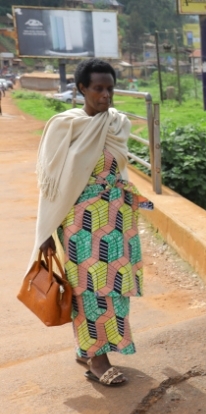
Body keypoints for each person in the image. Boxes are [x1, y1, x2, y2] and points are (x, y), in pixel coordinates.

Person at [30, 58, 148, 387]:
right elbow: (51, 184)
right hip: (79, 223)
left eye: (110, 88)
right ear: (81, 88)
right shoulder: (66, 125)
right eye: (97, 88)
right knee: (88, 288)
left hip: (116, 219)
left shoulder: (118, 124)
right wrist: (45, 231)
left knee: (113, 288)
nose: (105, 95)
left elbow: (119, 170)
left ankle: (88, 348)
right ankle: (97, 360)